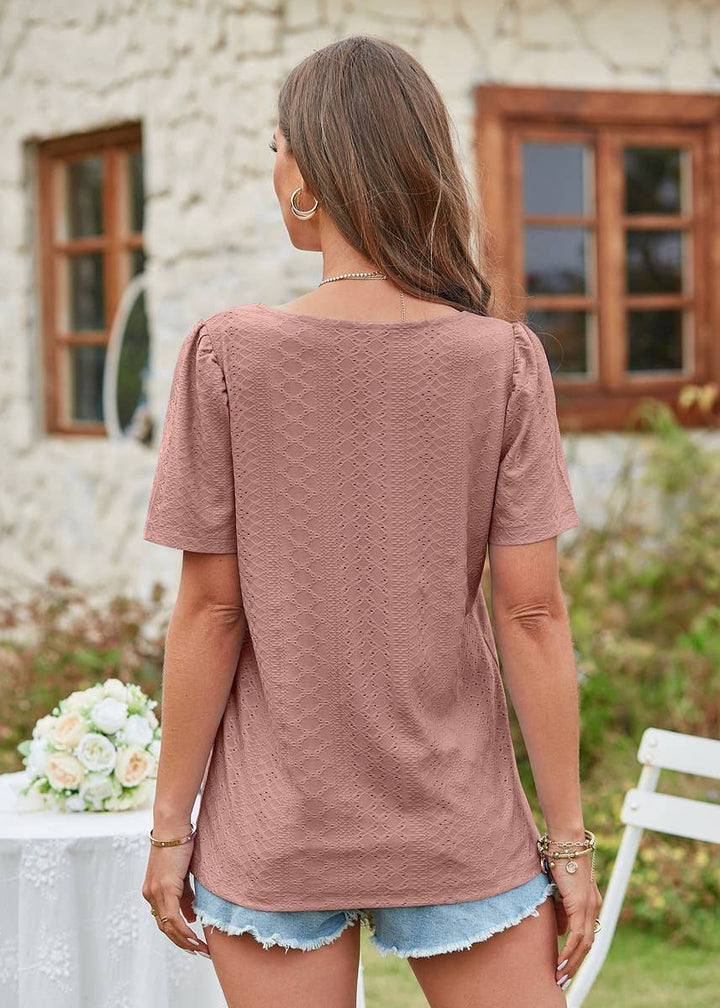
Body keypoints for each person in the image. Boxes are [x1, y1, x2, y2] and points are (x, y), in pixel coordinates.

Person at [141, 34, 603, 1008]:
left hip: (277, 826)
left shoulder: (225, 355)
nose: (273, 172)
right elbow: (531, 615)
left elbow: (210, 612)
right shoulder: (504, 361)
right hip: (457, 821)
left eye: (276, 149)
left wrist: (170, 828)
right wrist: (569, 846)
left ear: (308, 178)